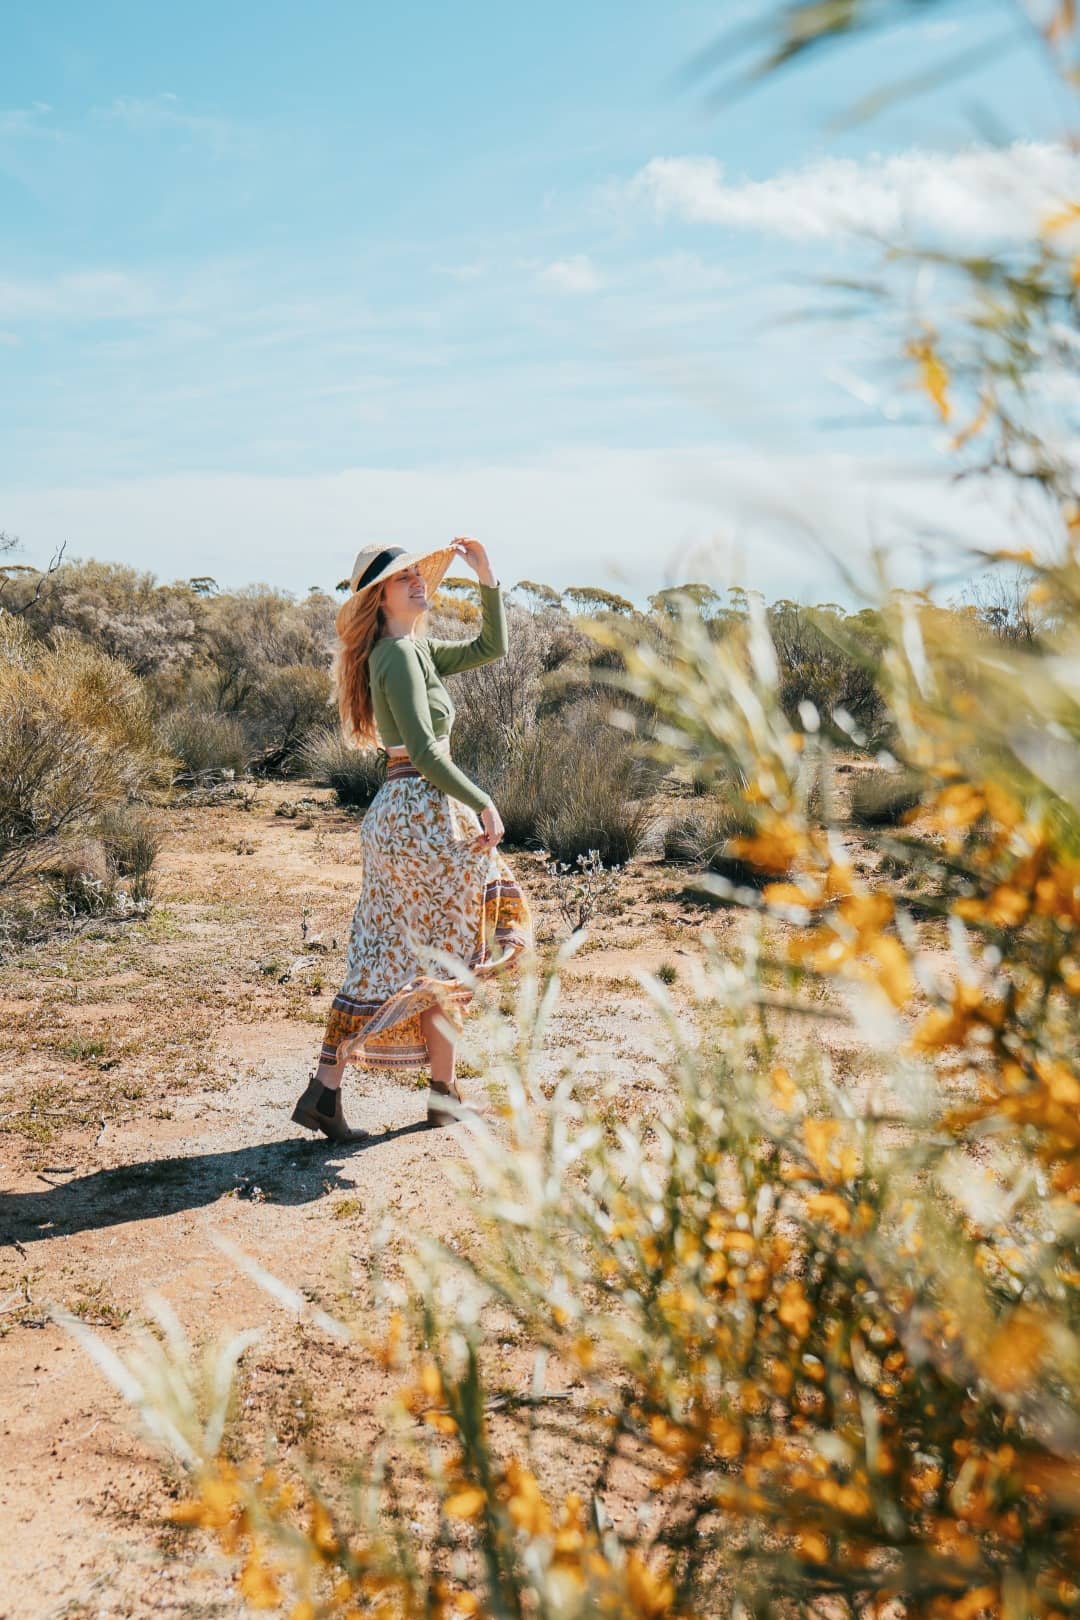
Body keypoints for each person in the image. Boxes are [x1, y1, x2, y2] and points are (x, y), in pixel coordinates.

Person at [290, 536, 534, 1141]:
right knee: (442, 954)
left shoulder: (413, 651)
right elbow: (424, 752)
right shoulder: (396, 656)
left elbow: (491, 646)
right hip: (422, 815)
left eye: (419, 577)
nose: (420, 584)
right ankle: (433, 1096)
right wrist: (482, 801)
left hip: (407, 817)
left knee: (405, 954)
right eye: (405, 581)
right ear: (380, 597)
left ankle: (335, 1090)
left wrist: (485, 577)